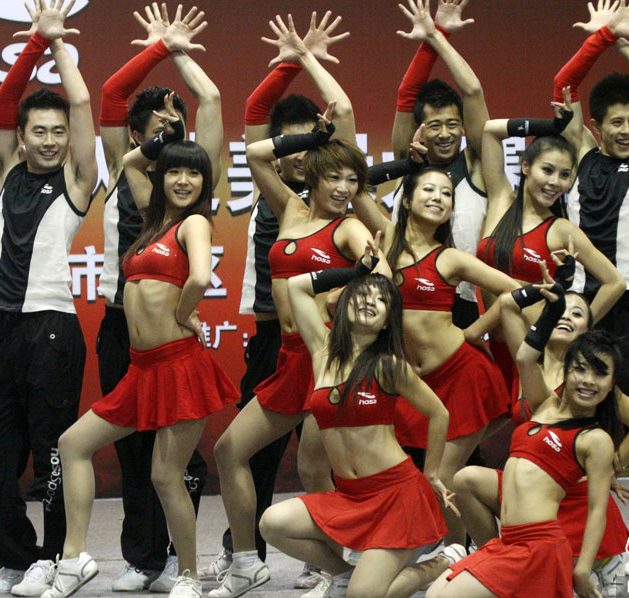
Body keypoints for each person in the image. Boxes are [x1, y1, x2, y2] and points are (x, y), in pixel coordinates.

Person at [213, 17, 387, 598]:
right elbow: (255, 151)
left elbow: (381, 281)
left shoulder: (348, 229)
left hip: (329, 358)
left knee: (318, 469)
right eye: (334, 178)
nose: (344, 189)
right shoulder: (289, 209)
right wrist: (315, 135)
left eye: (352, 181)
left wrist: (332, 289)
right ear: (314, 172)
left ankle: (338, 570)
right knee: (229, 452)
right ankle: (246, 561)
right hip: (287, 359)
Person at [43, 97, 238, 598]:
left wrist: (184, 313)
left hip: (178, 367)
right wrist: (166, 137)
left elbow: (200, 276)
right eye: (173, 171)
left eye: (193, 174)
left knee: (166, 477)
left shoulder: (194, 223)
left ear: (205, 183)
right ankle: (74, 558)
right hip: (141, 370)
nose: (183, 181)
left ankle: (188, 576)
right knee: (73, 444)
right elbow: (131, 162)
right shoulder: (154, 223)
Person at [0, 1, 97, 595]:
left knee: (52, 453)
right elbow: (4, 99)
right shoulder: (8, 172)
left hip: (52, 331)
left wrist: (59, 46)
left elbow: (83, 104)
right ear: (21, 137)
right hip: (5, 331)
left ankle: (57, 557)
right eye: (38, 131)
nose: (49, 140)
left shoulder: (75, 182)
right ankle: (17, 557)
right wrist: (34, 43)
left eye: (58, 132)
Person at [96, 4, 219, 592]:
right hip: (119, 325)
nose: (173, 138)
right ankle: (142, 558)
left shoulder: (189, 186)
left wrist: (180, 52)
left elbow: (212, 101)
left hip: (171, 334)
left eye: (179, 129)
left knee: (174, 461)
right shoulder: (130, 173)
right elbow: (111, 96)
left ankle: (177, 558)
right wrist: (156, 49)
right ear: (139, 135)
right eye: (161, 130)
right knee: (131, 454)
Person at [259, 240, 455, 598]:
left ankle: (442, 563)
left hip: (396, 497)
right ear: (346, 302)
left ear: (387, 322)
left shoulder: (389, 366)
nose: (369, 301)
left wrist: (432, 474)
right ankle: (346, 574)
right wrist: (357, 271)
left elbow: (438, 413)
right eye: (362, 293)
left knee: (364, 596)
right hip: (349, 497)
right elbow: (297, 286)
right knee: (272, 524)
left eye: (381, 300)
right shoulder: (322, 351)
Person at [555, 0, 629, 575]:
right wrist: (598, 38)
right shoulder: (580, 156)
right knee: (575, 425)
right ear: (596, 127)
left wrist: (620, 39)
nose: (628, 130)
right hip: (581, 308)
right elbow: (564, 85)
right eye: (617, 123)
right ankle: (587, 544)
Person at [351, 165, 519, 548]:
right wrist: (406, 164)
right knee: (427, 479)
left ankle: (467, 554)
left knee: (443, 477)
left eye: (446, 194)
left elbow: (514, 291)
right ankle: (470, 552)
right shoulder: (387, 240)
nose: (438, 198)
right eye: (428, 189)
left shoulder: (451, 259)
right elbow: (359, 186)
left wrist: (475, 330)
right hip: (415, 384)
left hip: (463, 377)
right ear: (407, 199)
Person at [455, 274, 629, 596]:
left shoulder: (589, 383)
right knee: (466, 479)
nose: (566, 316)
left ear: (587, 332)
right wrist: (547, 295)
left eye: (577, 313)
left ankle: (599, 563)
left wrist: (609, 466)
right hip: (532, 489)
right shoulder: (531, 369)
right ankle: (496, 562)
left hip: (571, 495)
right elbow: (506, 304)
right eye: (561, 311)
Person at [476, 91, 626, 396]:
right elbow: (490, 131)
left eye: (565, 175)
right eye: (547, 170)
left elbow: (615, 282)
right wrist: (551, 127)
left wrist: (577, 327)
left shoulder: (560, 229)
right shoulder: (501, 200)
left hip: (534, 350)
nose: (555, 182)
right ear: (525, 166)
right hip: (492, 346)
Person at [378, 0, 490, 329]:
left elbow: (473, 92)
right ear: (420, 129)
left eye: (452, 125)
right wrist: (432, 35)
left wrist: (439, 36)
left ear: (464, 127)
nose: (444, 134)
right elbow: (406, 93)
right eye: (434, 126)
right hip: (401, 297)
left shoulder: (476, 164)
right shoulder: (408, 161)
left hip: (459, 301)